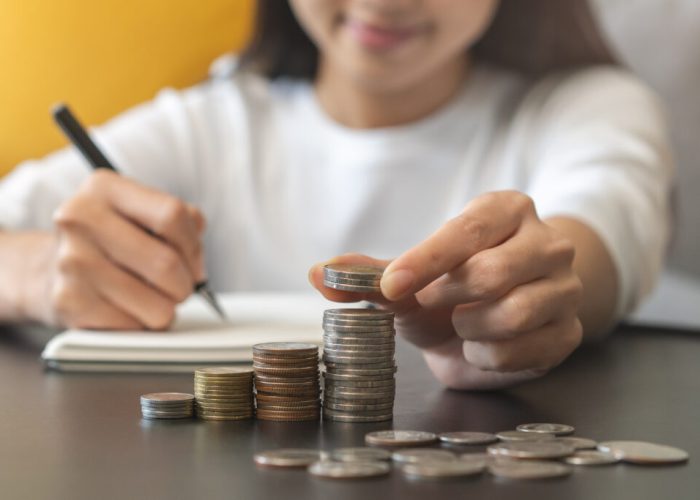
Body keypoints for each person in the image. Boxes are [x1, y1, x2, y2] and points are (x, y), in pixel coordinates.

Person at [0, 0, 673, 389]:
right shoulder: (206, 125)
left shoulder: (587, 109)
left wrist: (544, 285)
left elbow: (607, 223)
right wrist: (34, 270)